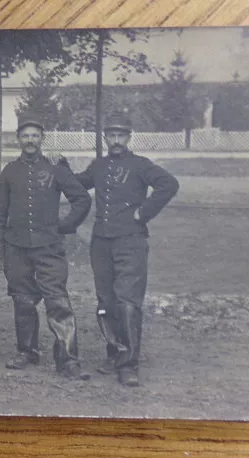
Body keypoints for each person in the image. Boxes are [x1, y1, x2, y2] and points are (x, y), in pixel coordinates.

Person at [73, 111, 179, 387]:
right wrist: (58, 168)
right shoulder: (99, 165)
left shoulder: (140, 165)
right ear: (105, 137)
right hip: (101, 243)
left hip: (130, 241)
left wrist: (143, 213)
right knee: (106, 302)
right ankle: (114, 354)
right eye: (112, 135)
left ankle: (129, 364)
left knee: (128, 302)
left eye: (121, 135)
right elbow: (79, 183)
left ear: (129, 137)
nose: (116, 140)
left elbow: (169, 184)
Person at [0, 114, 92, 380]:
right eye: (25, 136)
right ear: (18, 139)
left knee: (57, 300)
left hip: (49, 247)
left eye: (35, 135)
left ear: (42, 139)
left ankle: (68, 358)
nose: (30, 140)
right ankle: (27, 351)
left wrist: (65, 225)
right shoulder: (9, 171)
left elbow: (81, 198)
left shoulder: (56, 168)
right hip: (17, 247)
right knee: (22, 300)